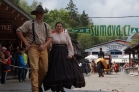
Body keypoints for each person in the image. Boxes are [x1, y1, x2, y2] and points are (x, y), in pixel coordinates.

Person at [16, 5, 52, 92]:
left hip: (43, 47)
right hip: (33, 47)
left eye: (42, 12)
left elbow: (50, 38)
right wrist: (26, 42)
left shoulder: (46, 25)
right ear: (36, 14)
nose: (42, 14)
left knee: (44, 69)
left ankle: (38, 85)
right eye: (40, 12)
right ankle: (35, 89)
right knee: (34, 68)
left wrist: (45, 45)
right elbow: (18, 31)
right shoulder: (28, 23)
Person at [43, 22, 85, 92]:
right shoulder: (52, 36)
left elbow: (69, 45)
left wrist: (70, 54)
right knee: (55, 72)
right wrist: (47, 42)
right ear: (55, 27)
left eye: (60, 26)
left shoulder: (66, 35)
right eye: (57, 26)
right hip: (55, 54)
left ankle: (61, 87)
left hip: (64, 54)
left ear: (62, 28)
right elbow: (50, 46)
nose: (59, 27)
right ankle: (57, 87)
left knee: (65, 72)